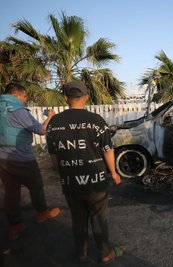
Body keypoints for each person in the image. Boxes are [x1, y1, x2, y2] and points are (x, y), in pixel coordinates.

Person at [46, 81, 124, 264]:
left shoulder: (54, 123)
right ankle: (105, 253)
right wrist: (113, 172)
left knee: (78, 218)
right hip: (96, 181)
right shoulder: (97, 121)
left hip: (70, 183)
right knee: (98, 218)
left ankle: (81, 252)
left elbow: (54, 156)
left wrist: (62, 173)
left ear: (65, 98)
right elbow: (107, 150)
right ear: (87, 97)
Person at [0, 83, 60, 241]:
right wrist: (50, 117)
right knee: (36, 186)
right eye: (25, 96)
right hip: (22, 157)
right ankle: (42, 213)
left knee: (11, 192)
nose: (25, 100)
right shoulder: (18, 111)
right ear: (17, 95)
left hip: (2, 158)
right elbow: (40, 130)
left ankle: (15, 225)